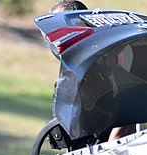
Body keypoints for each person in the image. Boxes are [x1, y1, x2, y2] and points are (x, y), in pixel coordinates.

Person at [49, 0, 136, 142]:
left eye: (58, 27)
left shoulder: (104, 66)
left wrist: (110, 154)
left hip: (105, 154)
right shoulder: (74, 70)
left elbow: (125, 120)